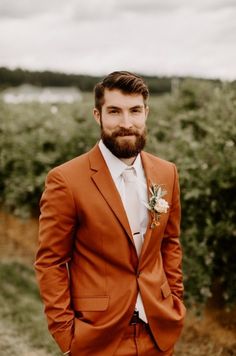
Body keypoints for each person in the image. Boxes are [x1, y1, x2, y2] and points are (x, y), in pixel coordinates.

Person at [35, 71, 186, 356]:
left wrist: (175, 300)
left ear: (146, 113)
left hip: (158, 332)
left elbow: (169, 243)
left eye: (135, 111)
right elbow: (50, 262)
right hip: (97, 337)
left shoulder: (167, 173)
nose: (126, 123)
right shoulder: (65, 180)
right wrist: (65, 335)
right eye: (115, 111)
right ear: (98, 115)